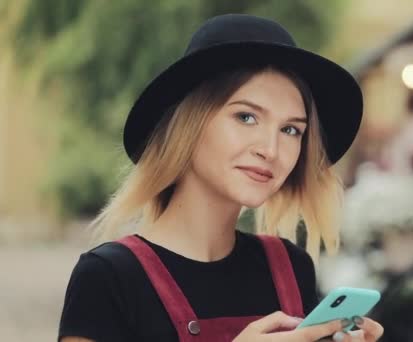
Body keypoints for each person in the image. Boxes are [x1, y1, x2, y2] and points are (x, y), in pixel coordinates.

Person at [58, 14, 383, 342]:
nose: (270, 149)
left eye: (290, 130)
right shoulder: (109, 277)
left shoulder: (289, 268)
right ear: (190, 124)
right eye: (246, 117)